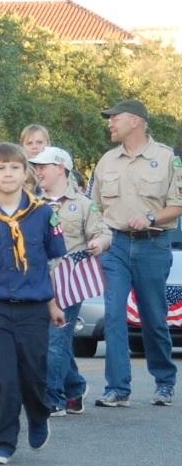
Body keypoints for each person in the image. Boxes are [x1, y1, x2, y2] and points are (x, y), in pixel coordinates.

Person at [0, 142, 67, 465]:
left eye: (14, 168)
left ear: (25, 174)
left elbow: (54, 261)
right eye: (1, 169)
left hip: (33, 307)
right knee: (2, 377)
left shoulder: (44, 214)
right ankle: (2, 442)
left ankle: (37, 415)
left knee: (33, 375)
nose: (8, 174)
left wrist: (54, 304)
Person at [90, 99, 182, 408]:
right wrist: (97, 236)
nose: (109, 124)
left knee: (153, 317)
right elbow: (96, 207)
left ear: (135, 121)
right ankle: (117, 388)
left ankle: (165, 381)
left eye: (114, 118)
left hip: (152, 245)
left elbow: (179, 204)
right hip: (115, 245)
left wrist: (152, 218)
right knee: (114, 314)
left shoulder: (167, 158)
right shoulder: (106, 162)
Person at [31, 146, 110, 416]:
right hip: (36, 279)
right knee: (47, 341)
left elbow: (102, 232)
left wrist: (99, 242)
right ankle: (74, 388)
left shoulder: (84, 204)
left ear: (61, 167)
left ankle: (53, 398)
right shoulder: (31, 202)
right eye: (36, 166)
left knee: (56, 339)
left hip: (69, 280)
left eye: (44, 166)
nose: (38, 171)